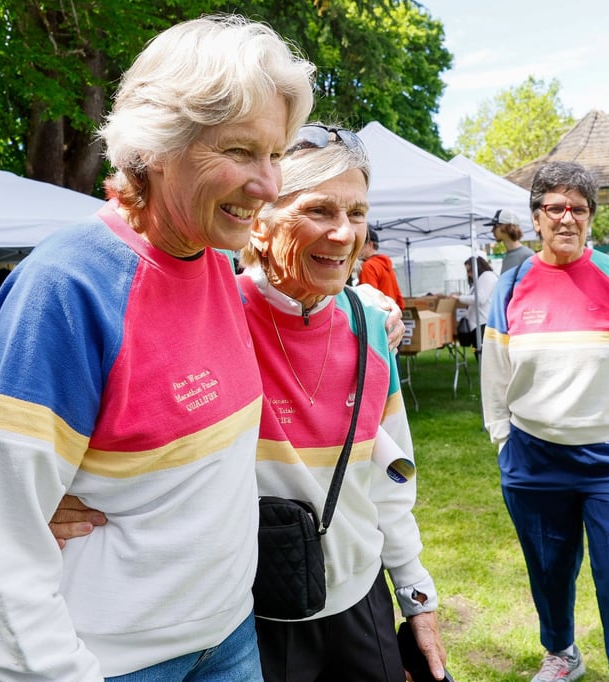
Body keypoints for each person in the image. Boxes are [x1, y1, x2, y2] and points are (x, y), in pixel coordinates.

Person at [0, 16, 318, 681]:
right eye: (241, 151)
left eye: (275, 153)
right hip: (118, 664)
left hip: (233, 637)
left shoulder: (212, 258)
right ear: (156, 146)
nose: (269, 185)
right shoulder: (66, 290)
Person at [51, 125, 448, 681]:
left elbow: (389, 483)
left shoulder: (369, 325)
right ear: (258, 222)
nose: (342, 233)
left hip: (361, 602)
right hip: (251, 613)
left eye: (357, 214)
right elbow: (128, 419)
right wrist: (59, 495)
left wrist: (415, 596)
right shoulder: (210, 315)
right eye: (319, 211)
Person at [480, 161, 609, 682]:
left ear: (590, 217)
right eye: (555, 208)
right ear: (537, 217)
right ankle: (561, 652)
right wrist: (502, 438)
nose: (567, 218)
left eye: (579, 209)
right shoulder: (514, 281)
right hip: (533, 456)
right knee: (548, 569)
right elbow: (495, 373)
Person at [453, 255, 497, 357]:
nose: (469, 274)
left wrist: (460, 298)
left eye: (470, 270)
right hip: (479, 323)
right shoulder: (482, 278)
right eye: (467, 271)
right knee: (478, 352)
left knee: (483, 354)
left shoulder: (487, 276)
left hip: (483, 323)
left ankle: (485, 373)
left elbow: (480, 298)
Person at [358, 228, 406, 308]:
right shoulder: (386, 264)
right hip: (392, 313)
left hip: (379, 316)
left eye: (360, 244)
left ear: (370, 244)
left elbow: (369, 299)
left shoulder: (368, 266)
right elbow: (399, 299)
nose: (357, 249)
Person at [491, 208, 534, 273]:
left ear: (506, 226)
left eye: (495, 226)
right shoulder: (507, 257)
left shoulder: (527, 255)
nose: (492, 230)